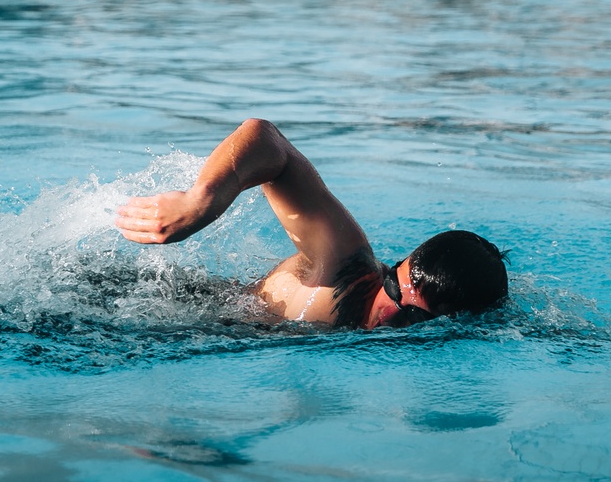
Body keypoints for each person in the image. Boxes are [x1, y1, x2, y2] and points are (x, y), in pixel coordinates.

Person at [116, 119, 508, 330]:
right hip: (157, 303)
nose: (391, 312)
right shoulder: (343, 266)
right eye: (394, 288)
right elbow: (267, 140)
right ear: (396, 266)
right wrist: (201, 200)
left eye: (416, 316)